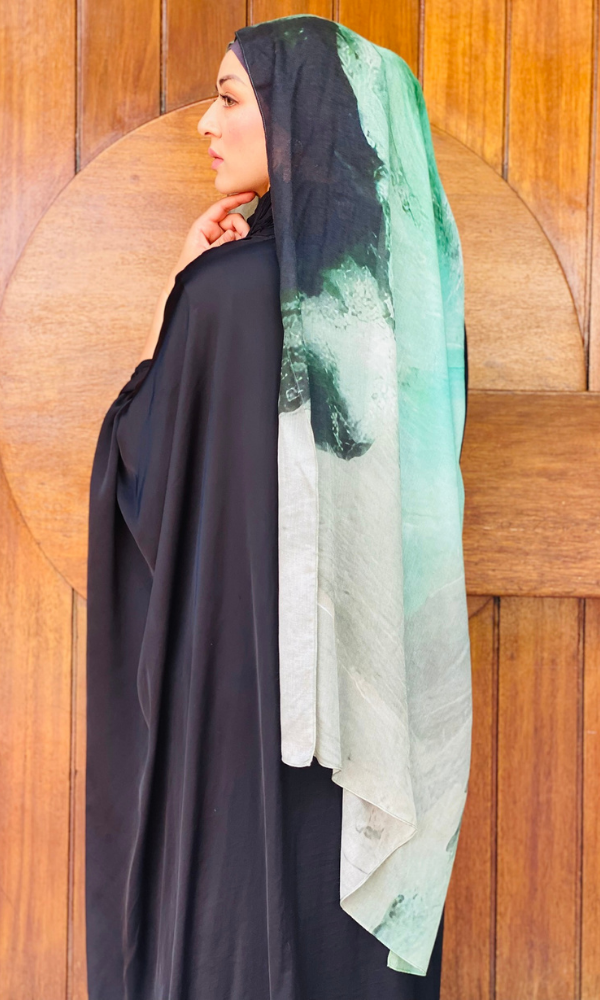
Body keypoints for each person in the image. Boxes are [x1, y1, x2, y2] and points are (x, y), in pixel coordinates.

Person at [85, 14, 470, 1000]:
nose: (205, 125)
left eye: (229, 98)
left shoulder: (223, 294)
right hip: (366, 696)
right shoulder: (399, 299)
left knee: (241, 925)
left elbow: (145, 473)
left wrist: (179, 293)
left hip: (239, 682)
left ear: (298, 111)